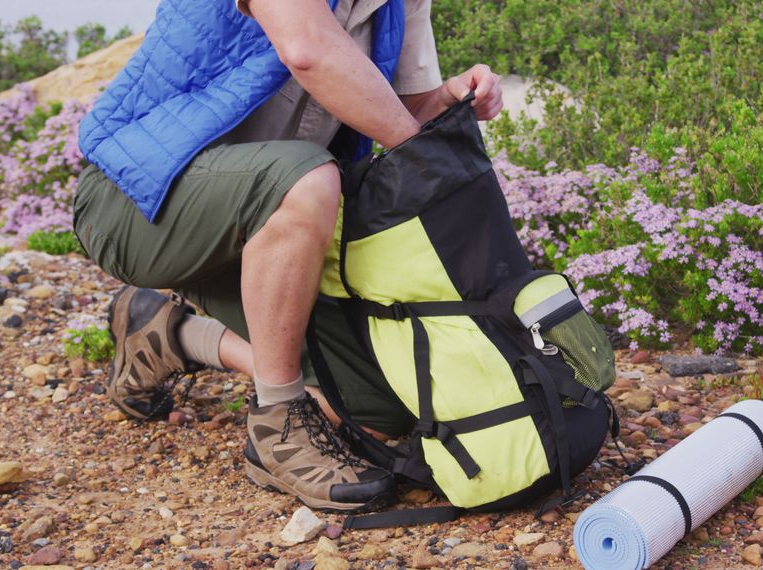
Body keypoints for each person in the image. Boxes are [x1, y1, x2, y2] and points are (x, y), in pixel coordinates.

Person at [72, 0, 503, 512]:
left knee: (379, 409)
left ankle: (174, 335)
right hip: (137, 201)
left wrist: (449, 99)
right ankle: (278, 426)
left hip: (270, 235)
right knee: (307, 178)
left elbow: (402, 108)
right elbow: (308, 51)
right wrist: (428, 158)